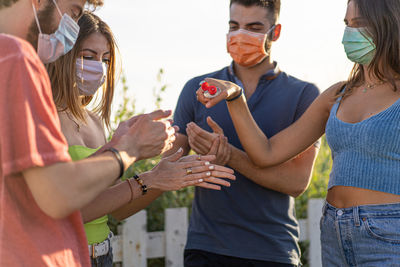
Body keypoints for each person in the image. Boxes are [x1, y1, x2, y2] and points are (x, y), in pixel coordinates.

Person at [0, 0, 227, 266]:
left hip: (101, 254)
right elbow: (63, 204)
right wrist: (132, 157)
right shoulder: (33, 95)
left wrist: (165, 175)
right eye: (88, 56)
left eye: (105, 59)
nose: (99, 66)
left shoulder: (96, 122)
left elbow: (115, 207)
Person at [197, 0, 400, 266]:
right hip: (333, 230)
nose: (349, 34)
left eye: (359, 24)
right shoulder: (338, 94)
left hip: (390, 230)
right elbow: (266, 154)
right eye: (347, 24)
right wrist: (235, 97)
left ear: (388, 26)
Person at [168, 0, 320, 266]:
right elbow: (169, 165)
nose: (240, 36)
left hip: (273, 251)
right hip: (206, 249)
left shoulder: (304, 95)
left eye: (253, 27)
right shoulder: (198, 88)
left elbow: (296, 183)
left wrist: (229, 156)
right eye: (234, 26)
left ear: (276, 32)